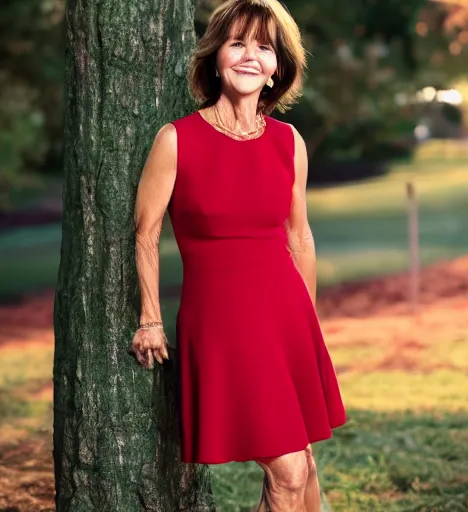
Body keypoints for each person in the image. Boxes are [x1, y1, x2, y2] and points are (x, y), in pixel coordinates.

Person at [130, 0, 347, 510]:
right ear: (215, 57)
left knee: (304, 463)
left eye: (265, 47)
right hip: (223, 325)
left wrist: (306, 325)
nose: (251, 56)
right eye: (237, 43)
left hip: (287, 320)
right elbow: (145, 233)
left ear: (277, 68)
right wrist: (150, 319)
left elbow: (300, 239)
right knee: (290, 470)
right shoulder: (176, 139)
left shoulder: (288, 142)